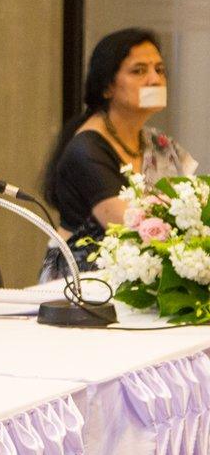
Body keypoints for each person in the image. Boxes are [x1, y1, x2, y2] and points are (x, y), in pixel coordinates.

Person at [40, 27, 197, 281]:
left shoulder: (159, 144)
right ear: (107, 87)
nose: (154, 80)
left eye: (159, 70)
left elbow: (193, 209)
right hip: (82, 284)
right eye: (139, 71)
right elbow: (130, 229)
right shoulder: (86, 149)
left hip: (145, 275)